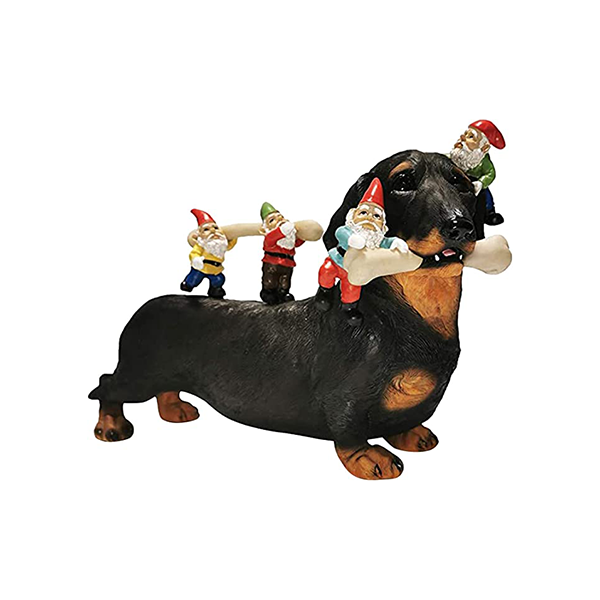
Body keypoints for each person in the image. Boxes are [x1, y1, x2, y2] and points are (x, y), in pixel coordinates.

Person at [315, 177, 408, 326]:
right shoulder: (347, 230)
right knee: (326, 272)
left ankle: (349, 308)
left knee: (352, 289)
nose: (369, 218)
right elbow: (340, 233)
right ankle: (324, 292)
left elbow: (385, 242)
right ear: (353, 216)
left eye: (376, 216)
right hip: (337, 260)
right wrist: (352, 239)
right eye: (363, 213)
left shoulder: (376, 238)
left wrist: (395, 243)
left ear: (383, 224)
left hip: (354, 271)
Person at [450, 119, 506, 228]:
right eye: (465, 134)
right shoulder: (457, 155)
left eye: (470, 137)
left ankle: (489, 212)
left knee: (485, 195)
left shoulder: (482, 161)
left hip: (475, 185)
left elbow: (490, 173)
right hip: (458, 183)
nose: (462, 138)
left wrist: (481, 182)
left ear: (484, 147)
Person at [180, 209, 237, 298]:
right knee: (194, 278)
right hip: (202, 267)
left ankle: (214, 290)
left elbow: (229, 245)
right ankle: (187, 284)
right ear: (200, 234)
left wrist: (234, 236)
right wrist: (196, 259)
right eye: (206, 229)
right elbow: (194, 253)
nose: (213, 231)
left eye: (216, 228)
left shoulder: (221, 245)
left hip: (215, 269)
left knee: (219, 279)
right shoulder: (201, 245)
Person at [259, 202, 305, 305]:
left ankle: (283, 294)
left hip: (288, 264)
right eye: (272, 220)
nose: (280, 220)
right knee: (270, 281)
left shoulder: (288, 237)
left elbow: (296, 243)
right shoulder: (270, 237)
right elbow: (277, 234)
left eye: (281, 217)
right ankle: (268, 293)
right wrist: (284, 229)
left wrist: (303, 236)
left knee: (285, 282)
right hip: (272, 264)